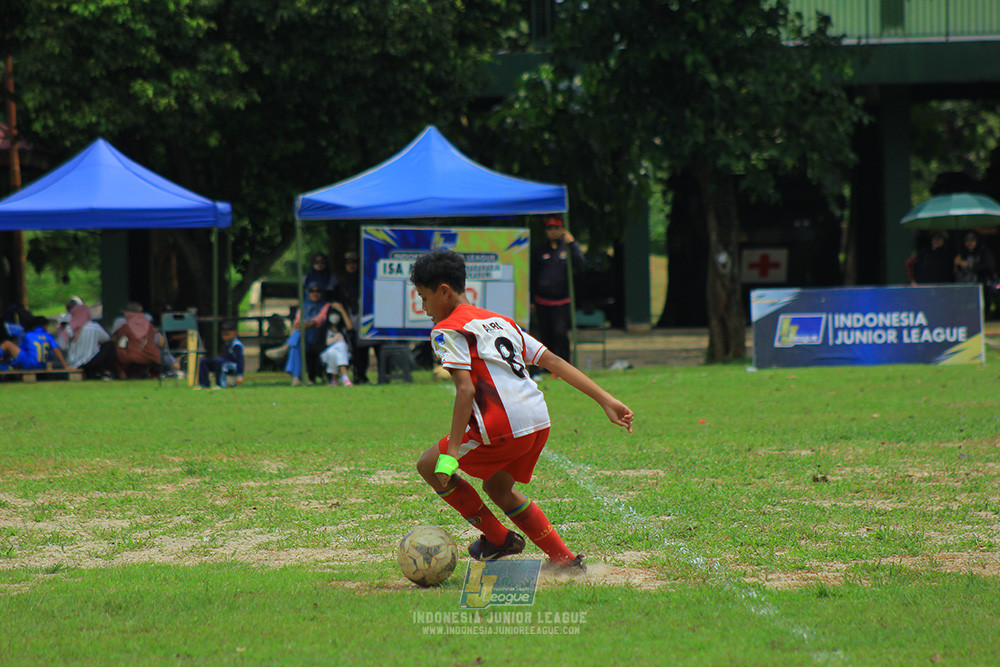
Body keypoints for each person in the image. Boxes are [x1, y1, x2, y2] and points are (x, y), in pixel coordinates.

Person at [409, 249, 633, 573]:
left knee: (429, 466)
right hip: (538, 420)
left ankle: (498, 539)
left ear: (444, 291)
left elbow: (465, 389)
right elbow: (552, 361)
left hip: (503, 426)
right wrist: (606, 399)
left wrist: (452, 453)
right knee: (499, 489)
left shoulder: (448, 330)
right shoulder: (500, 320)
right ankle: (565, 561)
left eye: (425, 298)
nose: (423, 307)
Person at [531, 216, 586, 369]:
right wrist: (531, 300)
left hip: (561, 301)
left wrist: (573, 243)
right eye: (550, 228)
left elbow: (581, 265)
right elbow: (533, 275)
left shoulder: (567, 248)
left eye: (556, 228)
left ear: (562, 229)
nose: (553, 231)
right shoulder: (540, 250)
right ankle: (548, 368)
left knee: (560, 333)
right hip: (542, 300)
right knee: (545, 335)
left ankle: (565, 367)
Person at [57, 302, 114, 379]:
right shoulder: (94, 327)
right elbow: (106, 339)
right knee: (110, 345)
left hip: (72, 362)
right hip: (91, 362)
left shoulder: (69, 328)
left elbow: (63, 347)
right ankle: (106, 371)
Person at [340, 249, 372, 384]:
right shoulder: (342, 282)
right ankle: (356, 374)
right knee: (353, 347)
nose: (351, 265)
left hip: (363, 315)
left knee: (363, 347)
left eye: (354, 262)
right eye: (348, 263)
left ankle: (362, 375)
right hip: (349, 315)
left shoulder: (363, 279)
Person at [111, 302, 166, 378]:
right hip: (153, 357)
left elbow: (120, 344)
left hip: (133, 357)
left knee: (114, 350)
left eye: (126, 313)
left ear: (129, 313)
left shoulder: (125, 328)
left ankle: (121, 375)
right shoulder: (150, 326)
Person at [0, 315, 70, 372]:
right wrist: (65, 366)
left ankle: (8, 367)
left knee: (7, 344)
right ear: (45, 326)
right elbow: (56, 350)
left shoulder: (28, 335)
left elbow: (22, 349)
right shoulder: (49, 336)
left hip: (28, 364)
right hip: (41, 365)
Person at [195, 320, 245, 389]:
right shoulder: (227, 343)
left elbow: (240, 360)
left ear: (234, 333)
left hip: (233, 365)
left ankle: (220, 384)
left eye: (227, 334)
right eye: (223, 335)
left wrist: (240, 375)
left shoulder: (236, 345)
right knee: (204, 361)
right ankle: (203, 384)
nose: (225, 337)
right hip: (224, 362)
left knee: (221, 363)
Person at [318, 302, 354, 386]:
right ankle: (344, 376)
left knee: (337, 348)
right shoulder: (324, 329)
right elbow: (320, 346)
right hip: (326, 355)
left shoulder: (342, 329)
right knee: (336, 347)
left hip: (343, 354)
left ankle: (334, 379)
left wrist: (342, 311)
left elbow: (350, 328)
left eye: (337, 315)